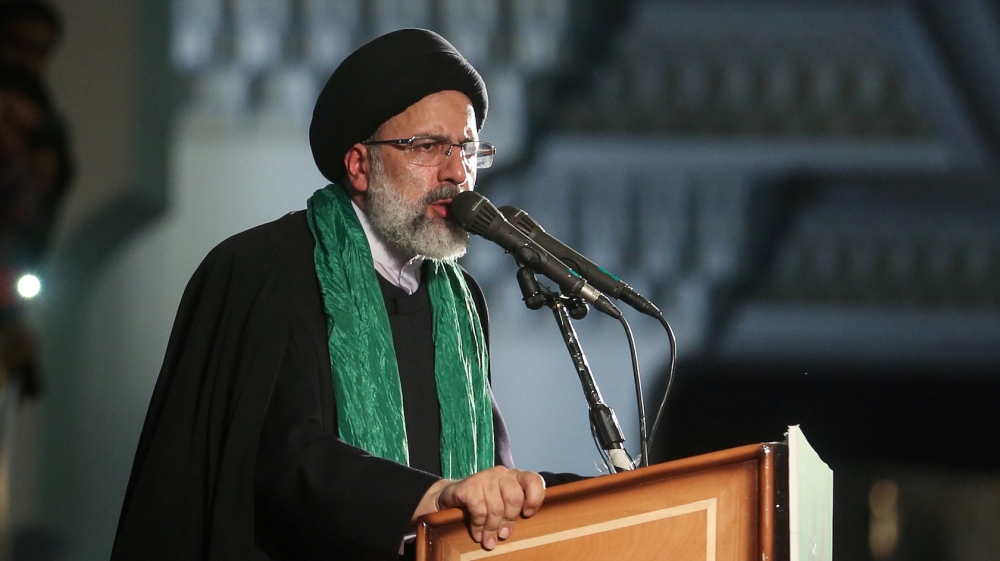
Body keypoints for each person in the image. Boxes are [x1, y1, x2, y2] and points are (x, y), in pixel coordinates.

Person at [112, 29, 578, 561]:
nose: (457, 172)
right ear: (359, 165)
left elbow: (485, 476)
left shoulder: (459, 301)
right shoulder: (266, 268)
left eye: (467, 149)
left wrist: (520, 492)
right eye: (429, 147)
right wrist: (434, 498)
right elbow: (274, 455)